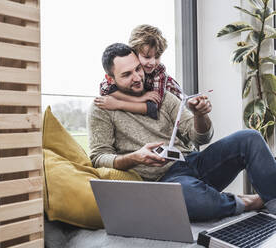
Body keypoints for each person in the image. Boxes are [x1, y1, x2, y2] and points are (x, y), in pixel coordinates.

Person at [88, 42, 276, 221]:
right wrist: (134, 157)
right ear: (110, 79)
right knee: (186, 198)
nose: (137, 77)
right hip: (166, 179)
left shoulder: (164, 96)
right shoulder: (101, 108)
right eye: (127, 74)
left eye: (138, 69)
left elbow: (201, 137)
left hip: (193, 161)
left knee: (250, 137)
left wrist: (199, 115)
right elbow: (98, 157)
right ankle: (248, 201)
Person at [95, 24, 182, 120]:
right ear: (134, 52)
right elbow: (105, 88)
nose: (153, 63)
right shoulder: (126, 64)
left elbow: (153, 108)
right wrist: (138, 99)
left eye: (157, 57)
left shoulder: (159, 73)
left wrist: (118, 104)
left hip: (177, 112)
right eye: (147, 57)